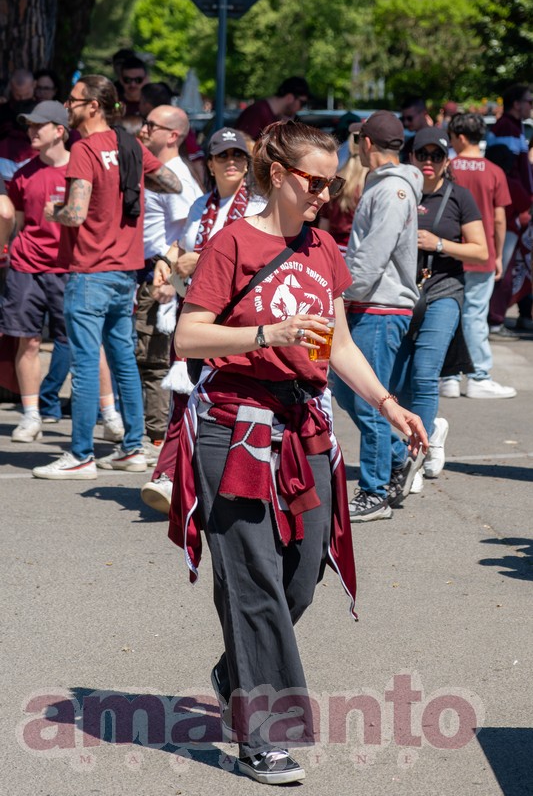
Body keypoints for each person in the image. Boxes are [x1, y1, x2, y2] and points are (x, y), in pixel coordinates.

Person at [169, 120, 427, 784]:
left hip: (305, 425)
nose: (325, 194)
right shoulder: (232, 242)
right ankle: (263, 738)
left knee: (302, 573)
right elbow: (189, 337)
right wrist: (268, 331)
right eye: (315, 181)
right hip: (235, 427)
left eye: (333, 182)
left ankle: (237, 672)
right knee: (254, 582)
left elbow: (337, 343)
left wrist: (388, 405)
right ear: (279, 174)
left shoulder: (323, 247)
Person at [32, 75, 183, 480]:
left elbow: (75, 214)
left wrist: (53, 212)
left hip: (90, 271)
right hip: (124, 271)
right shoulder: (129, 144)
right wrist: (130, 181)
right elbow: (172, 183)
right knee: (124, 362)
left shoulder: (84, 149)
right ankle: (132, 448)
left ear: (94, 106)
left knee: (85, 365)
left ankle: (81, 454)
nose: (67, 105)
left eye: (73, 99)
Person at [140, 127, 265, 514]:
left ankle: (211, 479)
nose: (231, 162)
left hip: (236, 318)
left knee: (227, 399)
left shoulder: (259, 205)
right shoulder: (201, 205)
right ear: (209, 164)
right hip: (197, 309)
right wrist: (166, 263)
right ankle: (172, 476)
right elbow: (181, 247)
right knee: (186, 396)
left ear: (247, 163)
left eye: (238, 155)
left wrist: (203, 259)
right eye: (222, 156)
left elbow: (256, 256)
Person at [330, 111, 424, 521]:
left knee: (370, 401)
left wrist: (342, 292)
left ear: (366, 143)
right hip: (373, 303)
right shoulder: (386, 185)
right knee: (347, 389)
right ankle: (397, 458)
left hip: (380, 305)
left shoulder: (391, 190)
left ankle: (375, 492)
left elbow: (372, 256)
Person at [390, 127, 488, 492]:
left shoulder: (459, 196)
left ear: (447, 160)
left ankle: (413, 458)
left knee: (425, 373)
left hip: (443, 291)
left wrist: (440, 244)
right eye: (423, 154)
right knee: (397, 380)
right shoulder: (400, 191)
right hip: (401, 294)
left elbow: (481, 250)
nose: (429, 161)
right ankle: (431, 430)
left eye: (437, 155)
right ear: (411, 156)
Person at [0, 101, 70, 443]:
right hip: (26, 266)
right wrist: (9, 249)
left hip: (69, 268)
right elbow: (18, 221)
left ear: (59, 130)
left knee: (78, 343)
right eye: (29, 125)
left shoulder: (80, 171)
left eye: (38, 125)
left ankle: (105, 411)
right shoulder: (23, 173)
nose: (31, 131)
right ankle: (31, 415)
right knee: (26, 341)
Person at [136, 105, 202, 462]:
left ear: (173, 135)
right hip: (152, 274)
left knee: (155, 363)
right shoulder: (160, 171)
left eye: (152, 125)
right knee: (148, 359)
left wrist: (171, 279)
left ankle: (158, 440)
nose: (144, 129)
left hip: (162, 279)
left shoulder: (176, 176)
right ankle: (154, 437)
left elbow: (188, 233)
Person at [442, 112, 515, 398]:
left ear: (460, 137)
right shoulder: (494, 171)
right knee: (475, 315)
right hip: (482, 253)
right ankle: (478, 375)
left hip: (449, 251)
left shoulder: (447, 167)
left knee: (448, 314)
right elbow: (499, 219)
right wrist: (497, 255)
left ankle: (448, 376)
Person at [486, 84, 533, 333]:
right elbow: (505, 174)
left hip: (515, 209)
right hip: (510, 211)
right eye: (529, 101)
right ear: (516, 104)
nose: (531, 106)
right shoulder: (506, 128)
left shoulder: (514, 127)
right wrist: (524, 202)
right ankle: (494, 319)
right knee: (504, 266)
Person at [318, 129, 367, 256]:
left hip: (333, 251)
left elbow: (324, 224)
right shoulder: (369, 184)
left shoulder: (335, 181)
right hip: (359, 253)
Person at [235, 77, 310, 140]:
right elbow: (243, 146)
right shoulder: (258, 112)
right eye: (302, 103)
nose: (301, 109)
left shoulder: (273, 115)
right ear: (289, 98)